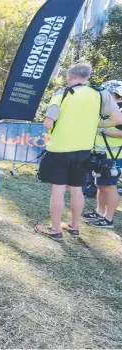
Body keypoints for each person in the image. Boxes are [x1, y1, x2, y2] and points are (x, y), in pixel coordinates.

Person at [36, 64, 122, 239]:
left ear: (69, 76)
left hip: (59, 149)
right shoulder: (100, 93)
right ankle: (74, 227)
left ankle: (55, 229)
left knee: (58, 190)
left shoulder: (62, 93)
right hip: (84, 150)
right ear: (87, 77)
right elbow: (117, 118)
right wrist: (96, 124)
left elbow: (48, 123)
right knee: (76, 189)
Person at [82, 80, 122, 229]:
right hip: (100, 155)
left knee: (110, 186)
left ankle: (108, 218)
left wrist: (104, 131)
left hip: (114, 157)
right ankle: (99, 213)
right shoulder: (108, 111)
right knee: (101, 186)